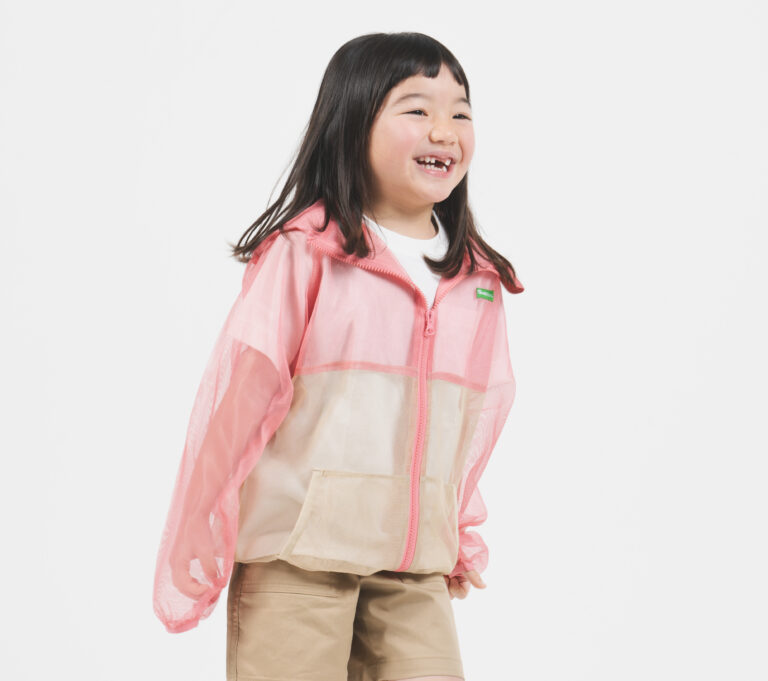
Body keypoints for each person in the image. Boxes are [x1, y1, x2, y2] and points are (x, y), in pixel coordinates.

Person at [152, 31, 524, 681]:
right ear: (353, 122)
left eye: (460, 113)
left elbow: (470, 424)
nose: (444, 130)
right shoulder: (307, 252)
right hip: (297, 556)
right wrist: (201, 518)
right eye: (417, 109)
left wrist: (458, 530)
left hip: (412, 568)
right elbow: (242, 398)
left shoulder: (476, 279)